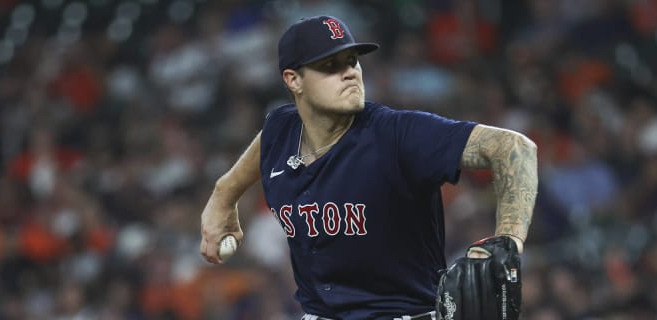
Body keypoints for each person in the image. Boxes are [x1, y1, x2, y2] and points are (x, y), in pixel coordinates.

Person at [200, 16, 537, 320]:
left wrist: (509, 240)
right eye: (330, 65)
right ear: (293, 80)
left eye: (352, 61)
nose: (349, 72)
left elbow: (514, 148)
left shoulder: (397, 134)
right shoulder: (280, 130)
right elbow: (268, 140)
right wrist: (223, 195)